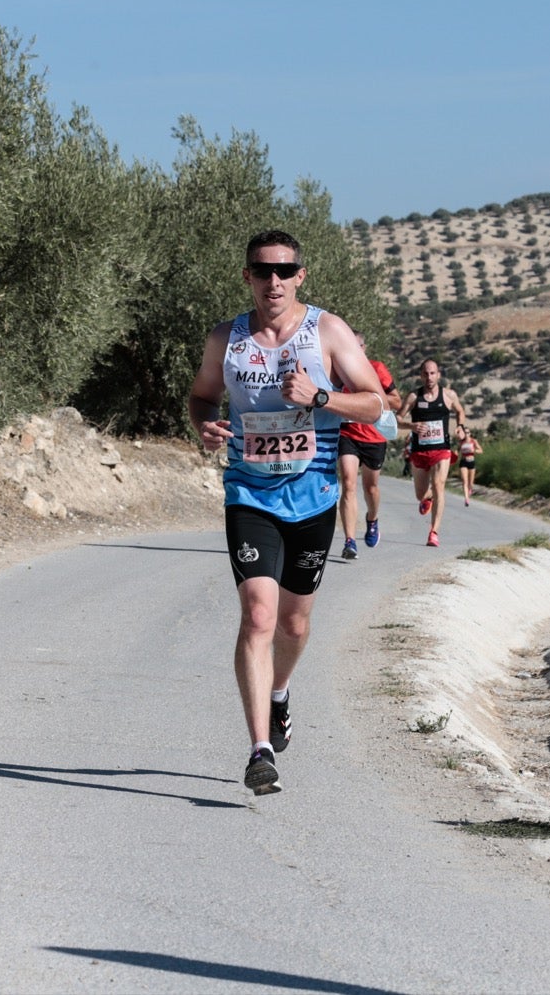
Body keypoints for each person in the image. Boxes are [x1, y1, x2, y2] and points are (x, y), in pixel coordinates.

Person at [188, 229, 388, 796]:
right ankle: (260, 750)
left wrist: (320, 397)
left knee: (294, 624)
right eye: (261, 270)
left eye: (283, 271)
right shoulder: (226, 338)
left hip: (314, 496)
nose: (272, 281)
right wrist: (204, 424)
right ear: (247, 276)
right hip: (249, 493)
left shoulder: (327, 331)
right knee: (258, 616)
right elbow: (202, 396)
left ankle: (280, 692)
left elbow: (375, 402)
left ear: (300, 276)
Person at [336, 332, 401, 560]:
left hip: (374, 436)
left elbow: (396, 401)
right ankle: (350, 541)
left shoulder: (377, 368)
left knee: (370, 488)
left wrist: (371, 398)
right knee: (348, 483)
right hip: (347, 434)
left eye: (357, 346)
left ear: (363, 348)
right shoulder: (339, 371)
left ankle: (372, 519)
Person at [399, 358, 467, 548]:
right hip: (419, 451)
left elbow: (460, 411)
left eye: (432, 373)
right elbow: (397, 418)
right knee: (420, 494)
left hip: (441, 449)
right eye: (425, 374)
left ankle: (434, 532)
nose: (429, 377)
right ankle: (427, 497)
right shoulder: (413, 397)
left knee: (439, 485)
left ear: (438, 375)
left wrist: (460, 426)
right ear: (421, 376)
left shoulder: (449, 395)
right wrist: (411, 426)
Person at [455, 423, 483, 506]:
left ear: (470, 433)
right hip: (463, 462)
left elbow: (481, 450)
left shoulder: (473, 441)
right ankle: (466, 499)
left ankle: (470, 489)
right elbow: (457, 450)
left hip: (471, 462)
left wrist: (474, 450)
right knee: (464, 481)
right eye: (465, 432)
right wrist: (455, 454)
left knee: (471, 483)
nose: (466, 434)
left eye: (468, 432)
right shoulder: (461, 442)